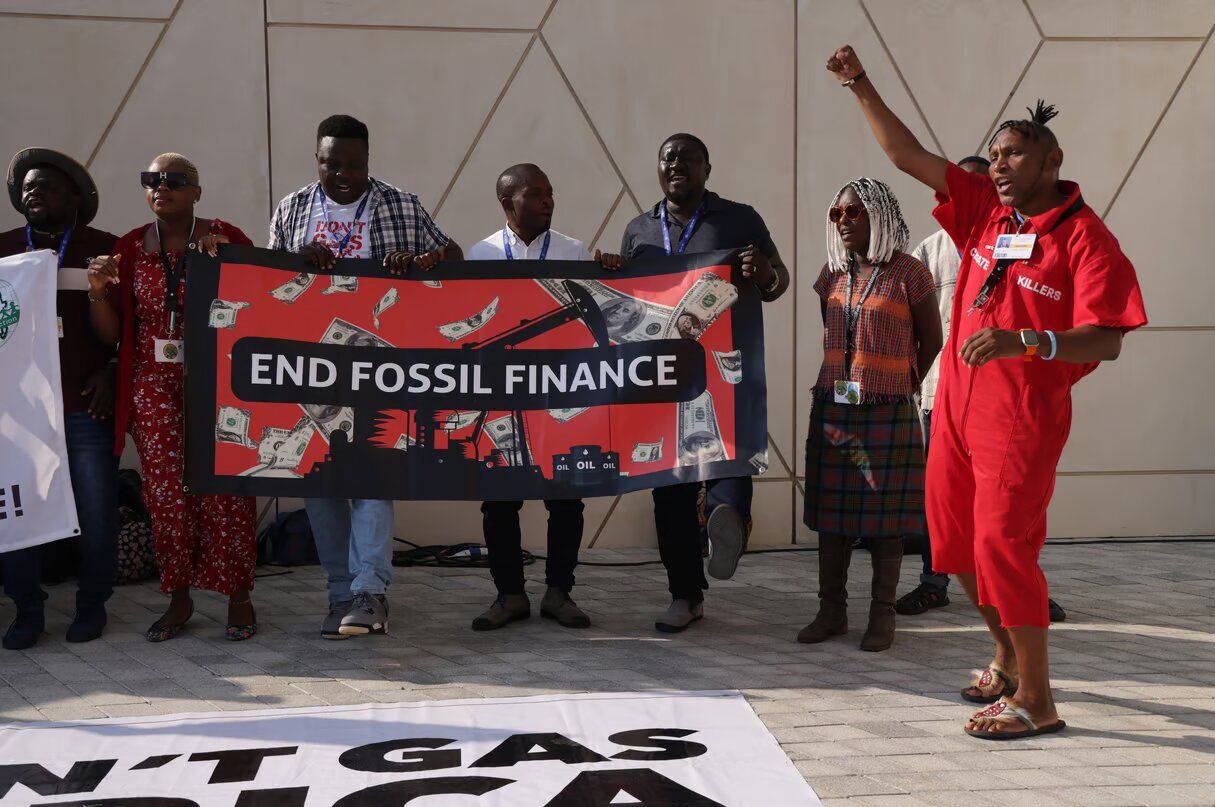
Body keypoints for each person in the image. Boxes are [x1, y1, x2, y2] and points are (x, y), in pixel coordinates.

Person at [827, 45, 1146, 738]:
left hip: (1020, 418)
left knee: (1003, 544)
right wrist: (859, 84)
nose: (997, 165)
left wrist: (1025, 342)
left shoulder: (1085, 240)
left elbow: (1107, 337)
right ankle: (1004, 656)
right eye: (993, 154)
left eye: (1013, 155)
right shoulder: (985, 217)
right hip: (954, 412)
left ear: (1050, 163)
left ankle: (1037, 699)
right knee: (953, 545)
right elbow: (907, 154)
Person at [268, 114, 462, 639]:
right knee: (321, 481)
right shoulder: (292, 209)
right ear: (317, 159)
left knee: (373, 478)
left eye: (354, 164)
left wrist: (422, 260)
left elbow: (453, 258)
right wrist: (292, 263)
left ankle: (369, 592)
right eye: (333, 164)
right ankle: (339, 594)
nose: (344, 174)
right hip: (312, 370)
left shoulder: (402, 204)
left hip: (384, 368)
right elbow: (269, 292)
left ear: (368, 161)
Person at [86, 153, 260, 642]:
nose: (162, 187)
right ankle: (179, 597)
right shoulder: (128, 248)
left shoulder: (227, 235)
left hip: (218, 381)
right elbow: (111, 335)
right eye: (152, 180)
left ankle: (238, 596)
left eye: (175, 180)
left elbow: (258, 299)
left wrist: (226, 259)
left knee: (226, 487)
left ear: (197, 192)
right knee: (164, 494)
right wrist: (98, 292)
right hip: (153, 386)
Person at [619, 133, 789, 632]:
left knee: (728, 450)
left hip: (725, 366)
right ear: (657, 169)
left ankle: (727, 521)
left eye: (687, 158)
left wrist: (761, 273)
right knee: (667, 487)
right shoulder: (638, 230)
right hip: (661, 376)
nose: (676, 165)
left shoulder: (740, 219)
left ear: (707, 169)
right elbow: (627, 301)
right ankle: (684, 595)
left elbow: (777, 282)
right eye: (667, 158)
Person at [897, 158, 1069, 626]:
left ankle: (1021, 592)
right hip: (944, 396)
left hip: (1006, 403)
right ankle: (935, 583)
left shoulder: (1028, 242)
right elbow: (917, 327)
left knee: (1006, 511)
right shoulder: (930, 252)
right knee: (948, 505)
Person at [464, 163, 624, 631]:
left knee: (566, 498)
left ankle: (559, 593)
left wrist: (613, 271)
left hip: (559, 395)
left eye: (550, 193)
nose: (548, 201)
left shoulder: (574, 250)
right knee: (499, 500)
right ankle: (509, 595)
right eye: (535, 194)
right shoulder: (481, 254)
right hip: (500, 395)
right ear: (507, 202)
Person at [799, 178, 941, 653]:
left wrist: (900, 382)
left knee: (885, 520)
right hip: (835, 407)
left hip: (888, 411)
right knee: (832, 517)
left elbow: (932, 339)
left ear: (878, 216)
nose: (843, 221)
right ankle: (831, 611)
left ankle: (882, 617)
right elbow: (832, 329)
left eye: (853, 213)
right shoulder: (831, 275)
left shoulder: (911, 273)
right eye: (837, 213)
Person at [1, 149, 119, 649]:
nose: (34, 192)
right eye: (28, 186)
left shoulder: (106, 251)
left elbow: (130, 332)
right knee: (17, 508)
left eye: (46, 185)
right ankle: (27, 608)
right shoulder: (4, 252)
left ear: (75, 198)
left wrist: (112, 370)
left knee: (95, 509)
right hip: (19, 415)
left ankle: (92, 605)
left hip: (82, 408)